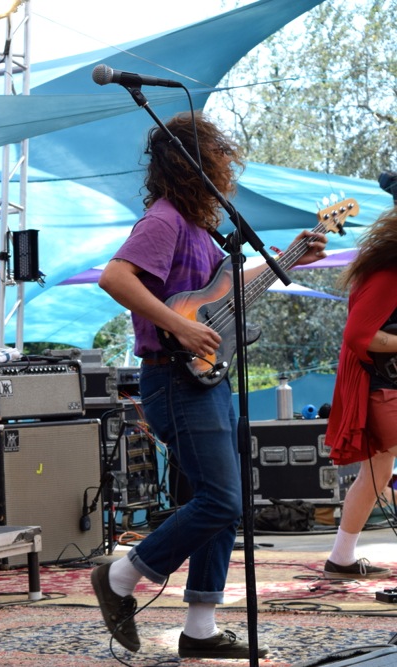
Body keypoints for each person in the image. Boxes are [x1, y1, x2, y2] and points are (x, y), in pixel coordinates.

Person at [94, 111, 327, 658]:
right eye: (220, 158)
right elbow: (115, 277)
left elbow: (220, 291)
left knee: (223, 499)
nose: (227, 168)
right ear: (196, 163)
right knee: (222, 500)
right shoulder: (165, 219)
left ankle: (200, 629)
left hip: (206, 380)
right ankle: (121, 577)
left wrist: (291, 255)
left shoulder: (199, 229)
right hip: (174, 378)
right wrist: (178, 324)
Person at [322, 206, 397, 579]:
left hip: (387, 387)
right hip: (385, 391)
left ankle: (341, 558)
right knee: (377, 473)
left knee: (377, 475)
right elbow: (358, 337)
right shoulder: (387, 275)